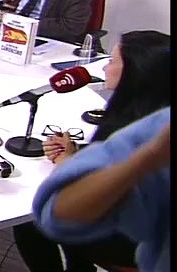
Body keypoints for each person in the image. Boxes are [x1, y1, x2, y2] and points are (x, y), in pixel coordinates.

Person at [13, 30, 170, 272]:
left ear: (135, 72)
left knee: (31, 218)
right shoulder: (153, 113)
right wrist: (77, 154)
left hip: (127, 241)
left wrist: (67, 162)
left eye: (112, 61)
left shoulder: (144, 132)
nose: (105, 67)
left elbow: (69, 209)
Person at [32, 108, 170, 272]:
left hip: (126, 245)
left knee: (31, 226)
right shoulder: (159, 125)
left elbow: (60, 214)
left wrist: (68, 162)